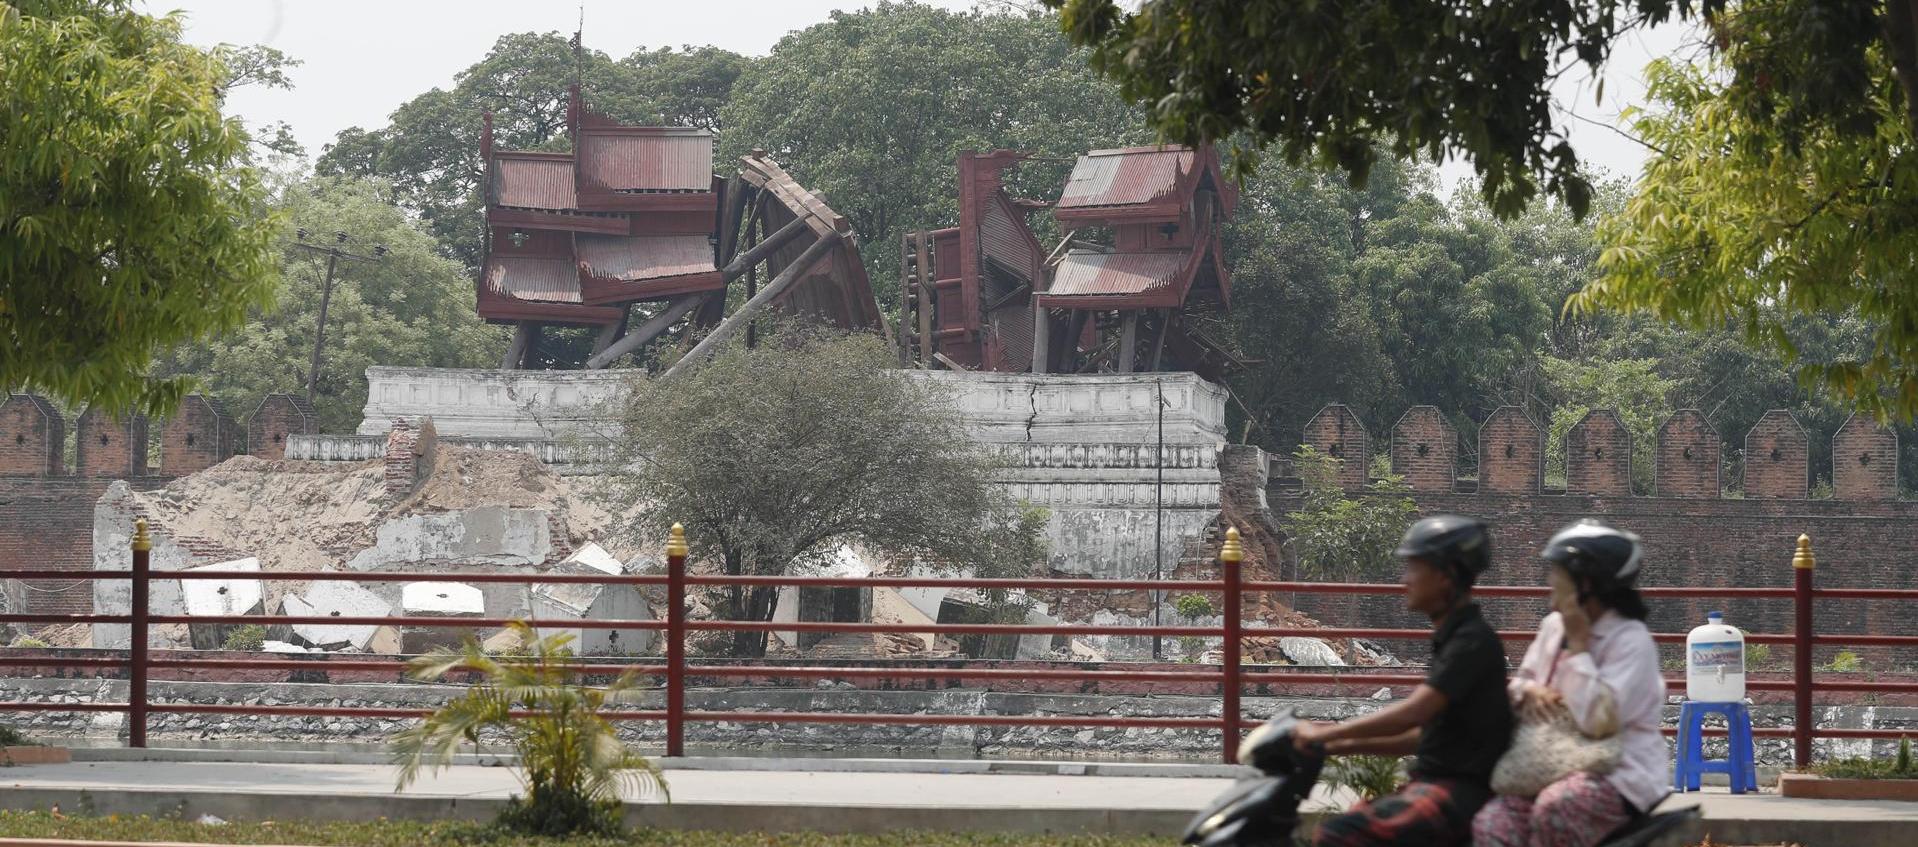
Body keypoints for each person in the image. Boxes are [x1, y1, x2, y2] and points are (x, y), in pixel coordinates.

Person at [1297, 515, 1514, 847]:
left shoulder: (1471, 642)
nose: (1404, 580)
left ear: (1445, 576)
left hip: (1459, 792)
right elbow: (1423, 738)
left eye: (1413, 568)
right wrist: (1336, 747)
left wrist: (1326, 732)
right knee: (1353, 818)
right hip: (1436, 782)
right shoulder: (1453, 638)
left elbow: (1415, 712)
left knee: (1338, 834)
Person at [1472, 521, 1667, 847]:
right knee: (1493, 823)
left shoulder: (1632, 641)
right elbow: (1522, 682)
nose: (1550, 580)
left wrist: (1578, 649)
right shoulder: (1553, 626)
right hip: (1547, 764)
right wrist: (1529, 691)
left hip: (1618, 772)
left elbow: (1597, 721)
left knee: (1557, 809)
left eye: (1557, 573)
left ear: (1585, 583)